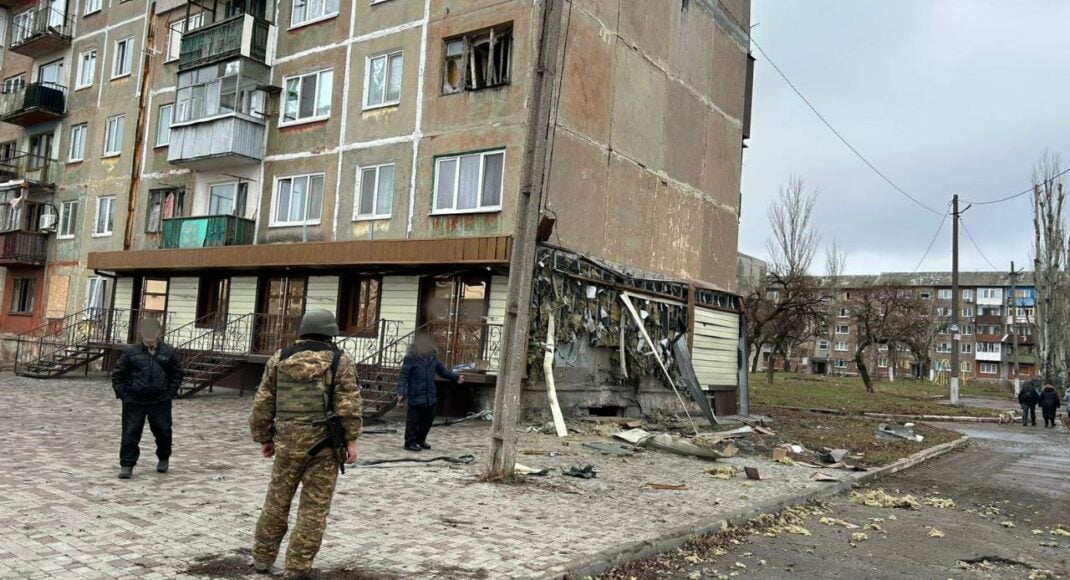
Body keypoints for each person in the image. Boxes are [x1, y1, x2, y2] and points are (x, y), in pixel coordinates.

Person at [249, 310, 362, 580]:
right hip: (323, 447)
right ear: (331, 332)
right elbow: (349, 404)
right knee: (313, 510)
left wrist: (264, 437)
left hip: (286, 443)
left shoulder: (279, 358)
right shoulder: (340, 361)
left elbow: (263, 403)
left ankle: (262, 559)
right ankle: (297, 569)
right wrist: (352, 440)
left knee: (276, 503)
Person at [111, 317, 183, 479]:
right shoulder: (131, 352)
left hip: (160, 401)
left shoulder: (168, 352)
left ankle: (164, 457)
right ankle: (127, 464)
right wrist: (123, 395)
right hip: (134, 400)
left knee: (163, 431)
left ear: (159, 332)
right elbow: (118, 375)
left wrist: (170, 393)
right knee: (130, 432)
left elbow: (177, 374)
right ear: (141, 332)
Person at [397, 333, 464, 452]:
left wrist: (456, 377)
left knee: (428, 420)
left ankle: (420, 440)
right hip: (416, 394)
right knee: (413, 420)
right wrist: (401, 392)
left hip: (430, 395)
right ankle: (410, 442)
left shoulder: (433, 357)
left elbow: (442, 371)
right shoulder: (410, 358)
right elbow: (404, 376)